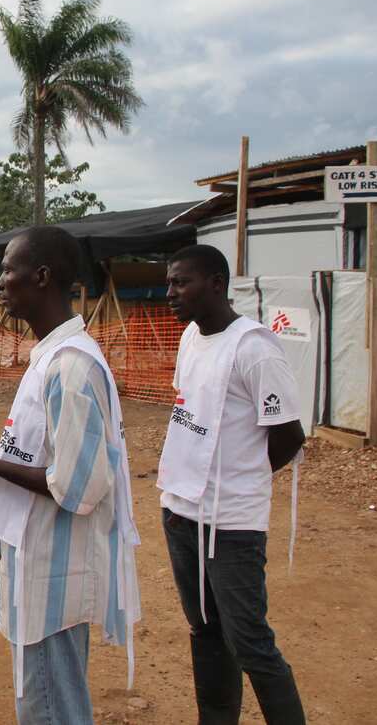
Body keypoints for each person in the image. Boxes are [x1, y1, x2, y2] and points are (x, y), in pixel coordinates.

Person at [0, 226, 141, 725]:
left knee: (51, 707)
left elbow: (78, 486)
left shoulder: (71, 367)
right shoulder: (48, 358)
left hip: (55, 571)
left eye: (7, 270)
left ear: (41, 277)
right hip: (36, 560)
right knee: (43, 699)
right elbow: (39, 448)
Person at [157, 244, 306, 724]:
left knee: (250, 643)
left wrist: (239, 481)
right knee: (205, 630)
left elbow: (288, 436)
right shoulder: (190, 339)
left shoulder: (254, 348)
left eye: (181, 283)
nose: (170, 294)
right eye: (169, 283)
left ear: (217, 283)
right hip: (181, 512)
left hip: (231, 524)